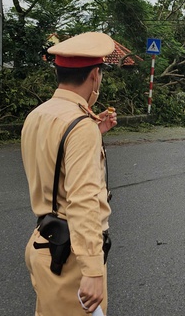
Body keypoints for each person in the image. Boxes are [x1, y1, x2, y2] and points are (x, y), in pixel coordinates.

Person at [22, 32, 117, 315]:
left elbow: (51, 162)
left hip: (43, 243)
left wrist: (92, 134)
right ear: (95, 75)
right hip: (70, 257)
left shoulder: (39, 114)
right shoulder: (79, 125)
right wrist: (92, 268)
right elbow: (83, 198)